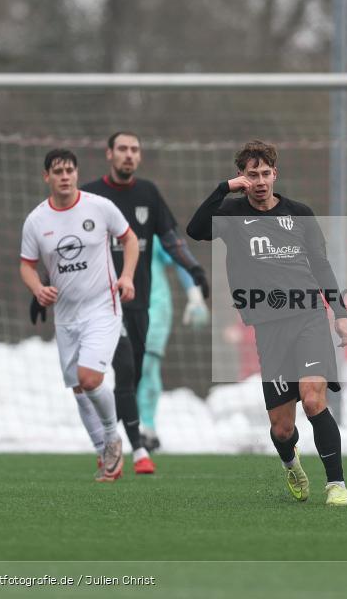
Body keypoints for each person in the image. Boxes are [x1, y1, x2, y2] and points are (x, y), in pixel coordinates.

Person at [187, 140, 347, 507]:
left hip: (309, 316)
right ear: (242, 177)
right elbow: (196, 230)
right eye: (251, 174)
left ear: (275, 174)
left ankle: (336, 484)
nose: (259, 180)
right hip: (268, 327)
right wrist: (223, 189)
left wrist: (340, 313)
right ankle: (292, 464)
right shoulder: (231, 215)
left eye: (265, 173)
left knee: (313, 398)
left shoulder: (300, 213)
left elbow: (321, 265)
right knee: (283, 427)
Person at [81, 132, 210, 475]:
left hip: (139, 303)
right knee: (114, 373)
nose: (128, 155)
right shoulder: (90, 195)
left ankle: (122, 439)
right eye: (122, 149)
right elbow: (70, 242)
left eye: (134, 150)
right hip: (98, 303)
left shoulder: (148, 194)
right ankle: (133, 446)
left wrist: (193, 269)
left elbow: (170, 238)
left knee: (133, 374)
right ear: (109, 153)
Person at [20, 148, 139, 482]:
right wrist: (37, 289)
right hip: (66, 315)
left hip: (102, 307)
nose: (65, 176)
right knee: (77, 387)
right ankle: (104, 451)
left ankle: (112, 438)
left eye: (69, 170)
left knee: (90, 379)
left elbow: (129, 240)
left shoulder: (98, 207)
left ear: (76, 173)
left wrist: (126, 276)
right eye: (57, 171)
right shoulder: (36, 220)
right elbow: (26, 266)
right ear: (47, 177)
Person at [136, 236, 211, 451]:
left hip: (155, 308)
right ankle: (129, 425)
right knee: (127, 368)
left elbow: (180, 257)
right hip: (119, 309)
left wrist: (194, 296)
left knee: (147, 364)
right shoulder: (106, 225)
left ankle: (147, 429)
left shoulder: (152, 229)